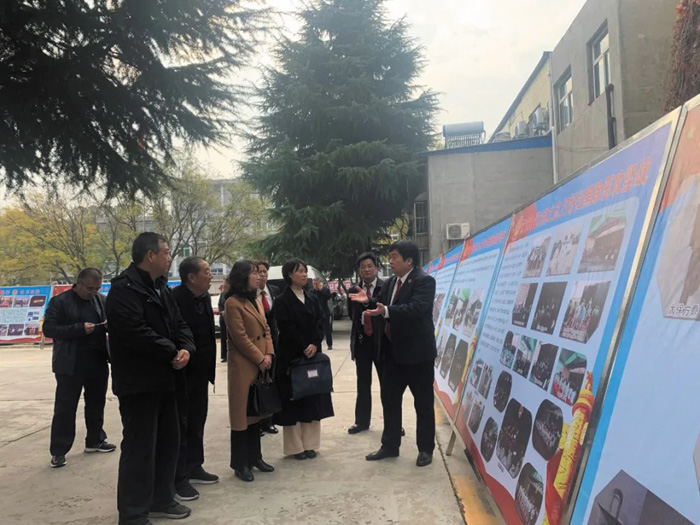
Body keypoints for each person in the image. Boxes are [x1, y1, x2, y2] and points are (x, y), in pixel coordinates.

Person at [106, 232, 195, 524]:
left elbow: (180, 323)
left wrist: (186, 348)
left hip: (166, 380)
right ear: (150, 255)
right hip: (138, 383)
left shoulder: (161, 288)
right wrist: (172, 351)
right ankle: (133, 514)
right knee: (140, 448)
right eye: (166, 252)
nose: (170, 257)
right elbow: (134, 332)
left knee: (168, 442)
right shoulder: (123, 290)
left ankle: (161, 499)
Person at [350, 240, 437, 467]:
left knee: (423, 403)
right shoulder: (390, 283)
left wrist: (386, 310)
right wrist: (369, 301)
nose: (391, 261)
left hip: (418, 355)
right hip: (392, 354)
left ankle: (425, 449)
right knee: (389, 400)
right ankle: (390, 445)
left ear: (409, 260)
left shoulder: (424, 281)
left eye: (395, 257)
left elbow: (416, 309)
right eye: (390, 257)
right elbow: (381, 306)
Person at [44, 267, 115, 468]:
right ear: (79, 283)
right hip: (70, 363)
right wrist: (78, 329)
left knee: (96, 403)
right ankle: (59, 450)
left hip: (97, 360)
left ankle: (95, 440)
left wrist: (109, 325)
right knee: (65, 407)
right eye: (90, 288)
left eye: (97, 289)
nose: (93, 292)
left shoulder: (100, 300)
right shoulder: (60, 302)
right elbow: (49, 329)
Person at [274, 259, 334, 460]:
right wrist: (303, 346)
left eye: (305, 271)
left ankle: (310, 445)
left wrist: (315, 344)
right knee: (294, 401)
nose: (304, 274)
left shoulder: (312, 298)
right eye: (299, 271)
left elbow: (320, 322)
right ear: (289, 275)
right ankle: (295, 447)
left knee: (312, 398)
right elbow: (286, 327)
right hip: (292, 357)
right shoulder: (282, 300)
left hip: (312, 355)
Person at [172, 257, 219, 502]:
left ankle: (195, 466)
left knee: (198, 420)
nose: (211, 275)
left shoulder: (204, 297)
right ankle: (179, 476)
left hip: (202, 372)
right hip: (182, 373)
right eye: (207, 271)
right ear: (191, 277)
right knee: (181, 424)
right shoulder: (174, 299)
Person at [224, 261, 276, 482]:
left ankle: (256, 457)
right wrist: (259, 358)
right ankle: (240, 464)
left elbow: (266, 329)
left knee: (256, 413)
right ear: (242, 277)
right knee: (241, 417)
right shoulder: (232, 303)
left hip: (261, 363)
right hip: (243, 366)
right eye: (253, 273)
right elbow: (240, 337)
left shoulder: (255, 300)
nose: (258, 276)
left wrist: (269, 353)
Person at [347, 252, 384, 434]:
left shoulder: (386, 287)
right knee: (362, 383)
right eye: (363, 267)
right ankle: (361, 422)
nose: (367, 270)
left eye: (370, 266)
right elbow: (352, 316)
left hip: (382, 343)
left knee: (388, 385)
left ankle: (393, 422)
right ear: (359, 271)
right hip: (362, 343)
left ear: (376, 268)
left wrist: (369, 303)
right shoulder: (353, 291)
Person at [257, 260, 281, 435]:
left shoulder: (274, 291)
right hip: (257, 343)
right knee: (257, 382)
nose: (262, 275)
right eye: (258, 271)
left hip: (274, 341)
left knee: (271, 380)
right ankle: (256, 420)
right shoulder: (249, 294)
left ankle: (269, 420)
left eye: (264, 271)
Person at [313, 278, 333, 349]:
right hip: (316, 313)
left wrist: (321, 290)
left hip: (325, 312)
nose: (316, 285)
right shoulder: (312, 291)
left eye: (317, 283)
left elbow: (328, 297)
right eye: (314, 284)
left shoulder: (325, 290)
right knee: (316, 329)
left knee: (327, 329)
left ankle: (329, 344)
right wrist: (315, 290)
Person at [219, 277, 230, 363]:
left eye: (225, 283)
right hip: (223, 319)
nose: (224, 285)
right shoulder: (222, 294)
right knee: (223, 337)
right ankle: (224, 356)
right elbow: (220, 304)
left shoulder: (232, 294)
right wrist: (222, 311)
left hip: (230, 318)